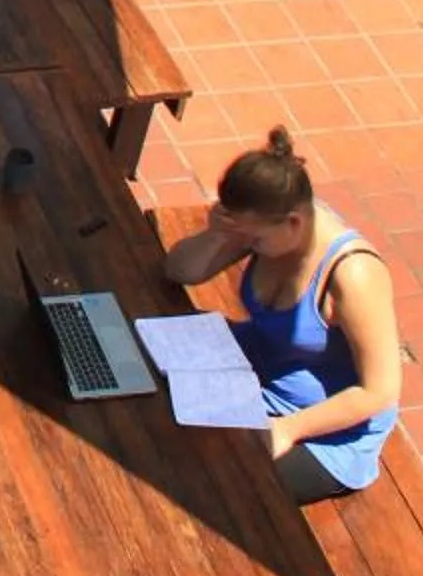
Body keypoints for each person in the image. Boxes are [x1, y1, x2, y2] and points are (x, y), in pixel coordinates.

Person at [163, 124, 401, 499]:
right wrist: (217, 234)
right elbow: (181, 271)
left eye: (253, 239)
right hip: (253, 371)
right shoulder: (266, 225)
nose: (246, 244)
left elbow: (380, 391)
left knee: (215, 488)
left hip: (322, 428)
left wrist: (289, 429)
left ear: (294, 222)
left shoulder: (354, 275)